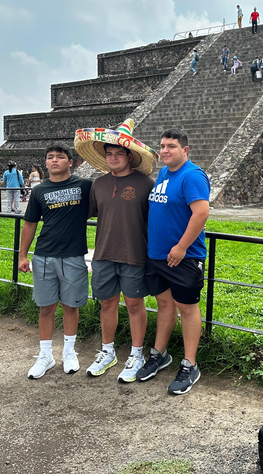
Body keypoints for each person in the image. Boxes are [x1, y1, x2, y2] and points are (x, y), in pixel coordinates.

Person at [73, 119, 159, 381]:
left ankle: (136, 353)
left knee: (134, 304)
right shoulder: (98, 185)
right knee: (107, 303)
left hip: (134, 253)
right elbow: (85, 214)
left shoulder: (146, 183)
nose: (113, 158)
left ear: (130, 156)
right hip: (103, 254)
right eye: (108, 154)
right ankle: (108, 351)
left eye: (118, 153)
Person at [136, 129, 210, 396]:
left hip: (183, 257)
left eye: (172, 146)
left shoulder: (192, 176)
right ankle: (159, 354)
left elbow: (201, 213)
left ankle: (190, 364)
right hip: (157, 256)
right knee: (164, 304)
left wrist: (181, 247)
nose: (165, 151)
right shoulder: (165, 173)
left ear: (185, 150)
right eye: (163, 146)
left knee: (187, 308)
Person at [20, 143, 93, 379]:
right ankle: (45, 355)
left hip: (73, 256)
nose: (54, 161)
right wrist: (23, 254)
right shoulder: (39, 190)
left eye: (60, 157)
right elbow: (30, 223)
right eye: (50, 157)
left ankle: (69, 352)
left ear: (70, 162)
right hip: (44, 255)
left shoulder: (84, 186)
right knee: (46, 307)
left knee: (71, 306)